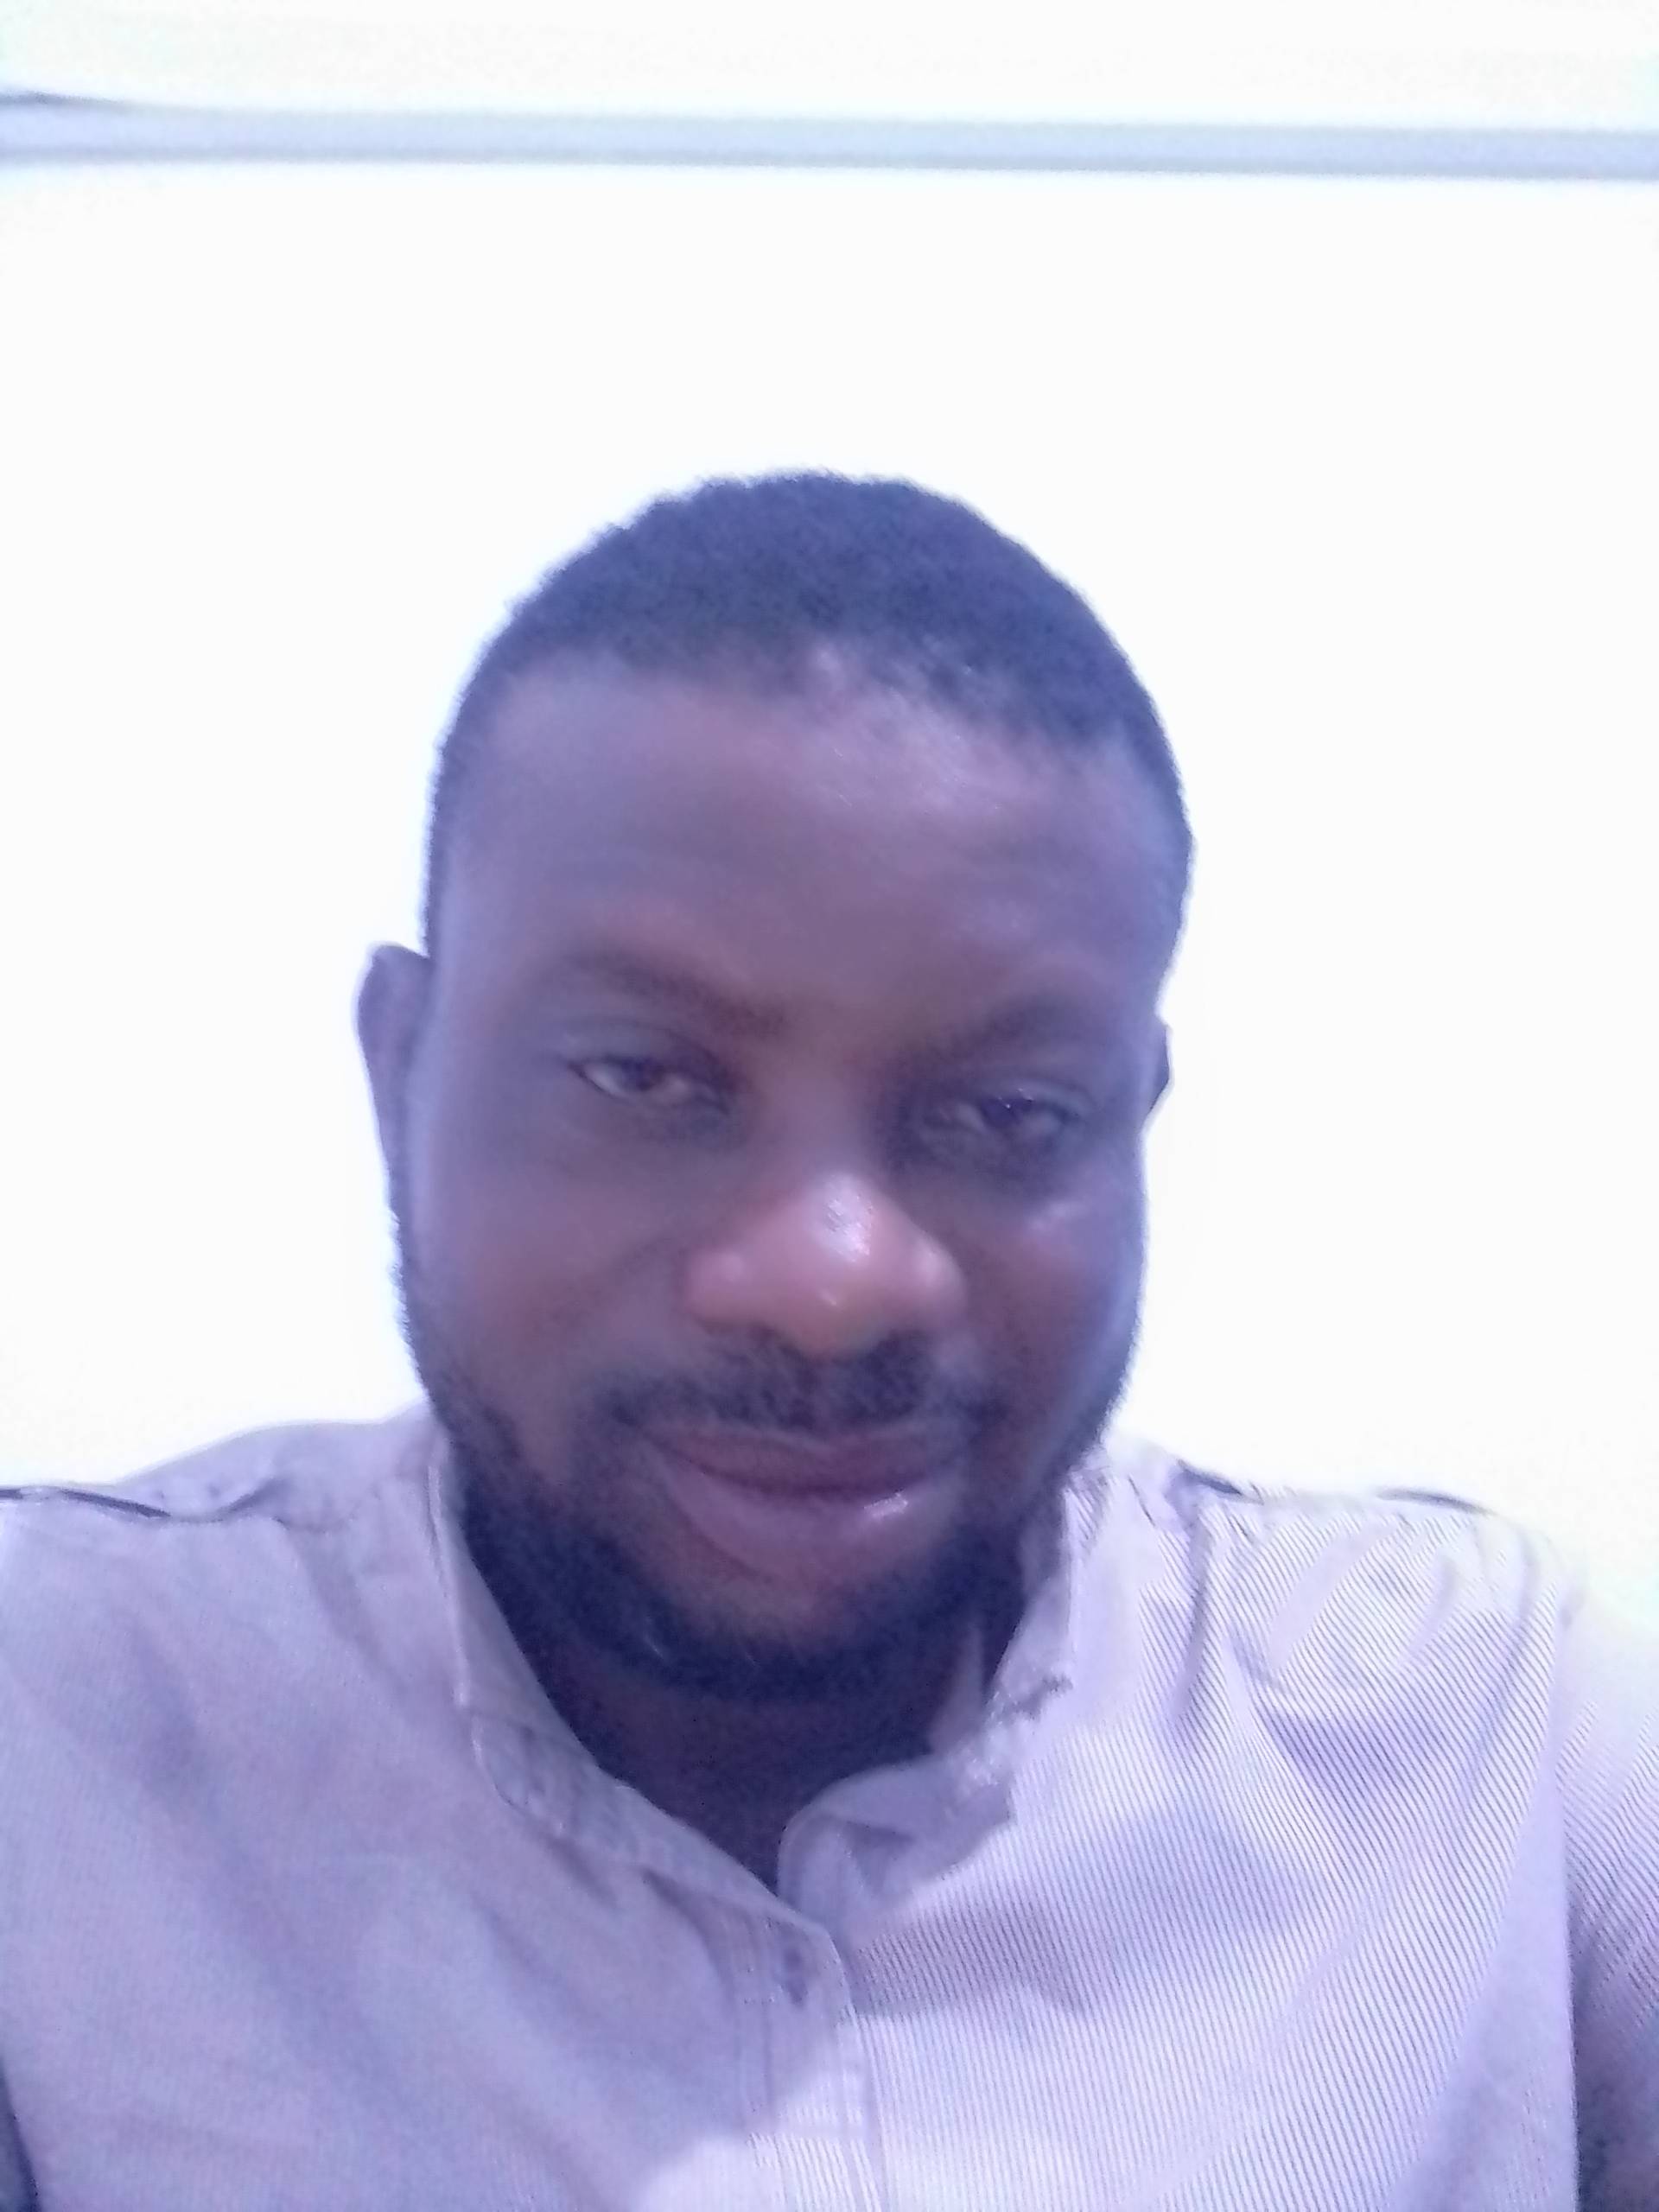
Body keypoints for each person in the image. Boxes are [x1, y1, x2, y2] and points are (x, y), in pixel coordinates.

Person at [0, 474, 1653, 2211]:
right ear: (401, 1072)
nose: (831, 1282)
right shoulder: (56, 1738)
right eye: (647, 1076)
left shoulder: (1490, 1744)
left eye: (1008, 1111)